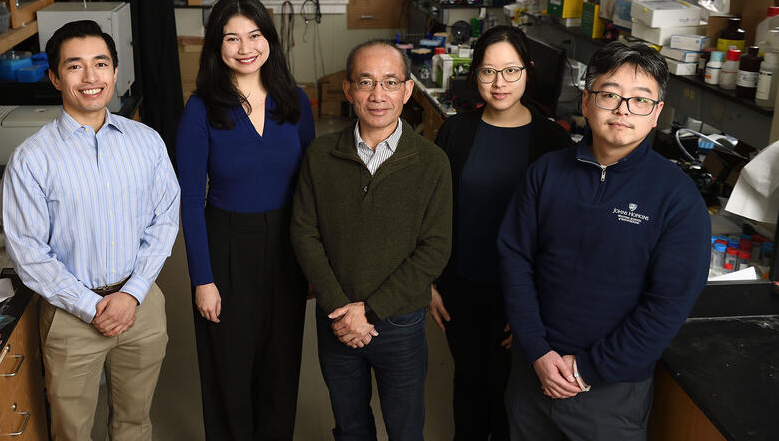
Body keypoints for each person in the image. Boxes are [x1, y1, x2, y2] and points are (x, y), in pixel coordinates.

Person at [498, 42, 710, 441]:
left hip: (609, 391)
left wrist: (586, 370)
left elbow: (667, 305)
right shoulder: (545, 174)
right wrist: (536, 351)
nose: (623, 109)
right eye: (610, 94)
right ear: (586, 99)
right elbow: (515, 260)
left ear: (657, 113)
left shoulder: (677, 199)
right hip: (531, 372)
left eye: (640, 100)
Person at [3, 20, 180, 441]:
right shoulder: (32, 159)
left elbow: (165, 220)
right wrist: (90, 306)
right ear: (54, 77)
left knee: (134, 423)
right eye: (74, 66)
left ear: (115, 73)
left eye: (100, 64)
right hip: (70, 316)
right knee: (71, 431)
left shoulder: (147, 141)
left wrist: (132, 294)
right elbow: (28, 251)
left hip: (141, 306)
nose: (90, 77)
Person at [291, 40, 452, 441]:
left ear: (407, 90)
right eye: (366, 82)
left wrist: (370, 310)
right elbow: (304, 232)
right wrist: (342, 309)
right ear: (348, 90)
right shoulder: (320, 155)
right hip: (337, 320)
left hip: (399, 324)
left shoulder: (432, 162)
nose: (378, 95)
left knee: (405, 429)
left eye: (390, 82)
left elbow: (434, 250)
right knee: (350, 427)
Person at [175, 0, 315, 440]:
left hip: (287, 246)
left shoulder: (295, 102)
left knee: (280, 366)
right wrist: (202, 279)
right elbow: (191, 199)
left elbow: (312, 189)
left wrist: (315, 262)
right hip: (227, 245)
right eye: (231, 38)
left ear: (268, 40)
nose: (245, 47)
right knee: (229, 370)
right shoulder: (201, 110)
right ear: (217, 45)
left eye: (254, 35)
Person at [430, 26, 573, 440]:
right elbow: (434, 213)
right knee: (470, 386)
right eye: (489, 72)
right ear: (475, 74)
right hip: (461, 288)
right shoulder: (456, 132)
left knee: (512, 397)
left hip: (522, 295)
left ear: (528, 72)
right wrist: (430, 283)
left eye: (511, 71)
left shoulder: (552, 141)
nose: (499, 83)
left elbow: (558, 234)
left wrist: (537, 310)